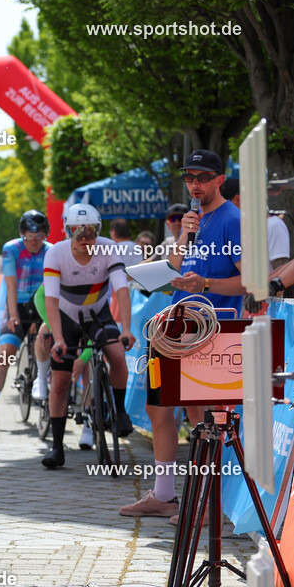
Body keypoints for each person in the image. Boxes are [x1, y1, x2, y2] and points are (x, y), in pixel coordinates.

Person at [121, 149, 244, 520]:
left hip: (211, 330)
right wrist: (183, 237)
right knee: (158, 407)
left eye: (203, 177)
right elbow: (177, 264)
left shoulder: (232, 219)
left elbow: (252, 281)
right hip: (175, 327)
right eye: (190, 177)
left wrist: (205, 283)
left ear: (220, 180)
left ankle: (211, 501)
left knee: (203, 417)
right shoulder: (192, 220)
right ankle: (163, 494)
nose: (195, 184)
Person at [41, 203, 135, 467]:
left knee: (117, 354)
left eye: (91, 231)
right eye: (78, 232)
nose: (85, 238)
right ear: (68, 231)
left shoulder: (108, 248)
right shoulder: (56, 254)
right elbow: (51, 300)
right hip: (66, 317)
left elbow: (121, 291)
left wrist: (126, 328)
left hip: (98, 314)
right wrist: (58, 339)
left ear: (99, 231)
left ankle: (120, 412)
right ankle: (57, 447)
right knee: (60, 383)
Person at [0, 210, 52, 430]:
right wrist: (12, 316)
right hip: (17, 304)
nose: (34, 243)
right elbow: (10, 285)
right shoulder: (12, 249)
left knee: (48, 344)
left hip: (42, 305)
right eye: (30, 238)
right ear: (22, 235)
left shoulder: (52, 251)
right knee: (5, 353)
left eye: (39, 238)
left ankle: (42, 380)